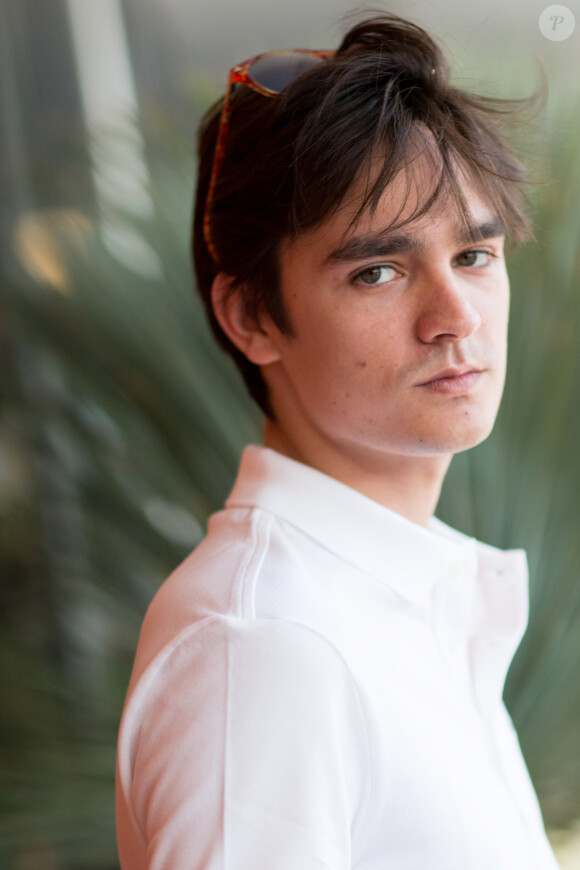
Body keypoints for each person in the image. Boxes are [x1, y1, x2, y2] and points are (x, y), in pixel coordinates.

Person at [116, 13, 560, 869]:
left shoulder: (385, 605)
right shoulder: (265, 648)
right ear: (252, 317)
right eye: (377, 272)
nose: (455, 318)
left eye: (473, 254)